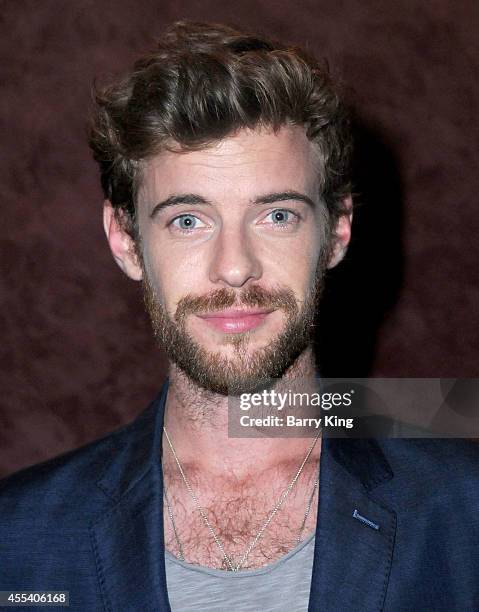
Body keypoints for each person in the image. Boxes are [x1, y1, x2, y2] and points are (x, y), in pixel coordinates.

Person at [1, 20, 478, 612]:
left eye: (276, 216)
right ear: (125, 240)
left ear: (337, 232)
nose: (234, 268)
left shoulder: (465, 510)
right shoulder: (16, 538)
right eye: (188, 220)